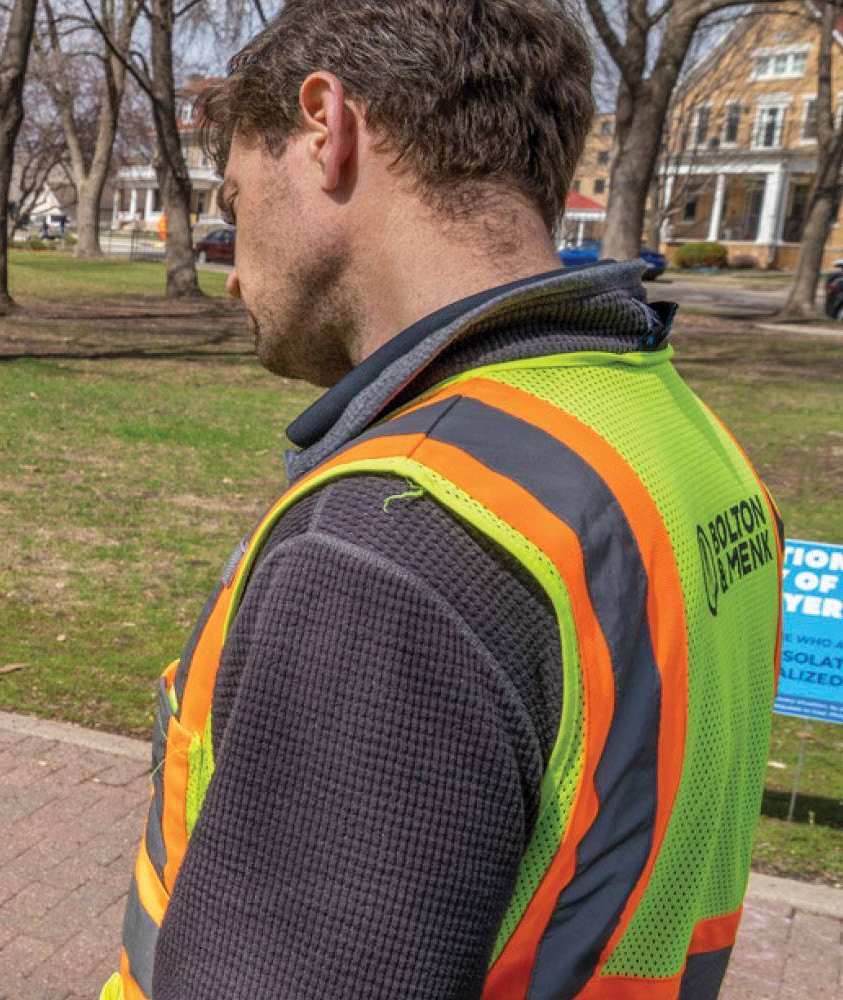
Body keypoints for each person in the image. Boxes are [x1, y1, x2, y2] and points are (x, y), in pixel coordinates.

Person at [100, 3, 783, 998]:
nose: (234, 267)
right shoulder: (682, 438)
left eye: (235, 195)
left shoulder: (395, 546)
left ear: (326, 130)